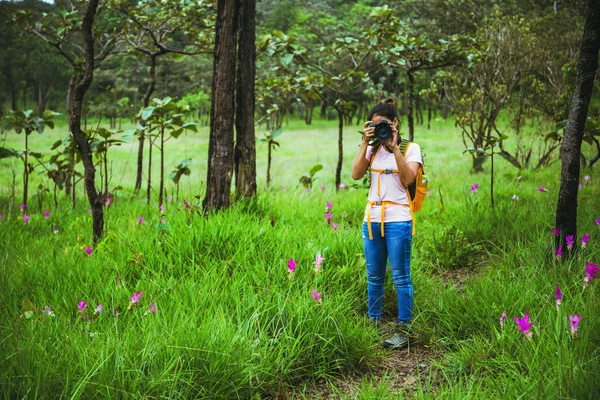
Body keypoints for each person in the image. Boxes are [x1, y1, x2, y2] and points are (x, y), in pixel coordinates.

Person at [351, 99, 422, 348]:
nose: (382, 129)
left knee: (401, 277)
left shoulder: (411, 148)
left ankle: (404, 330)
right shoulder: (372, 149)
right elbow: (356, 174)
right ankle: (374, 324)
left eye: (385, 124)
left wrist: (395, 149)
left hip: (398, 220)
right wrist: (364, 143)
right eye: (375, 125)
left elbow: (408, 178)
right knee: (374, 277)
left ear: (395, 124)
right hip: (371, 219)